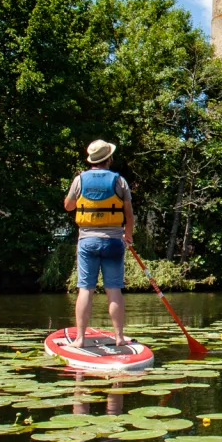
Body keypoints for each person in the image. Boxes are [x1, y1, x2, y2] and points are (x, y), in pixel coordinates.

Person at [61, 139, 135, 351]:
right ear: (108, 159)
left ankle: (80, 339)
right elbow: (129, 213)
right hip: (114, 241)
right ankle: (119, 337)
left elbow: (68, 206)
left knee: (85, 289)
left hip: (87, 241)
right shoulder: (120, 181)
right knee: (114, 290)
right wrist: (127, 236)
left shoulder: (79, 180)